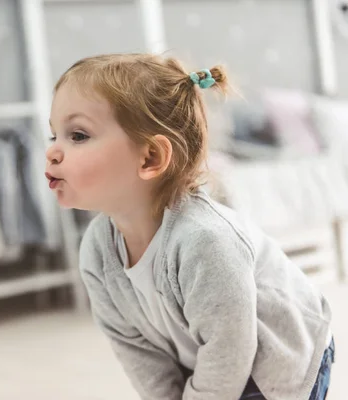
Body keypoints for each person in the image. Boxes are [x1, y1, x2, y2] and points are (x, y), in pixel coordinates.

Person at [45, 53, 335, 400]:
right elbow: (136, 350)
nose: (53, 153)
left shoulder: (205, 241)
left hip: (279, 359)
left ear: (150, 158)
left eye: (77, 135)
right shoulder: (96, 251)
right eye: (53, 137)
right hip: (209, 356)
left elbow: (229, 350)